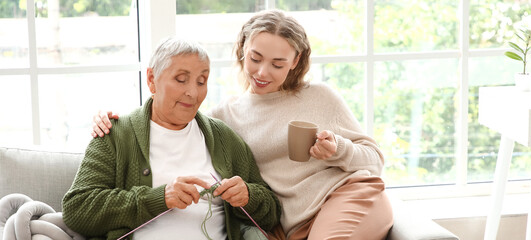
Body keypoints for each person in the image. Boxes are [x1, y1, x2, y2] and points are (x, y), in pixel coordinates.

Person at [91, 9, 393, 240]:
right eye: (255, 58)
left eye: (278, 64)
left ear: (296, 61)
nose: (263, 72)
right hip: (285, 226)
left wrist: (338, 149)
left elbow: (375, 161)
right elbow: (174, 112)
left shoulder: (319, 97)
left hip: (342, 198)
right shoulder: (224, 118)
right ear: (242, 49)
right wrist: (111, 120)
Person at [62, 36, 281, 240]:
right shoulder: (115, 135)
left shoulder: (223, 138)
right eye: (181, 79)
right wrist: (159, 198)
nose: (193, 93)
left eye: (201, 81)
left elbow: (271, 213)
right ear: (151, 79)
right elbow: (77, 209)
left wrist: (248, 197)